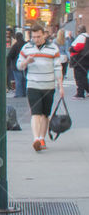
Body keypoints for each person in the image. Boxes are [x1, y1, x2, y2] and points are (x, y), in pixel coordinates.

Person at [17, 23, 64, 151]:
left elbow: (58, 67)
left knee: (45, 114)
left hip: (48, 85)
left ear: (44, 34)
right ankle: (36, 139)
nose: (36, 39)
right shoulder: (26, 47)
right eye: (34, 37)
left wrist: (60, 86)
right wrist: (27, 61)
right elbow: (19, 65)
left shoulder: (53, 48)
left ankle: (42, 138)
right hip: (33, 84)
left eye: (38, 36)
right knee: (35, 114)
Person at [70, 25, 89, 98]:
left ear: (80, 30)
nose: (77, 32)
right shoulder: (87, 36)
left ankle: (80, 94)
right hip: (85, 60)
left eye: (78, 30)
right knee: (84, 77)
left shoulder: (81, 37)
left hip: (78, 60)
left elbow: (77, 48)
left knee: (78, 77)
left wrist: (71, 49)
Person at [8, 30, 26, 97]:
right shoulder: (25, 44)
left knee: (18, 80)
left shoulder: (15, 45)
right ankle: (24, 93)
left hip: (16, 65)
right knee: (24, 80)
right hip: (24, 64)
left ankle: (19, 94)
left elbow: (10, 55)